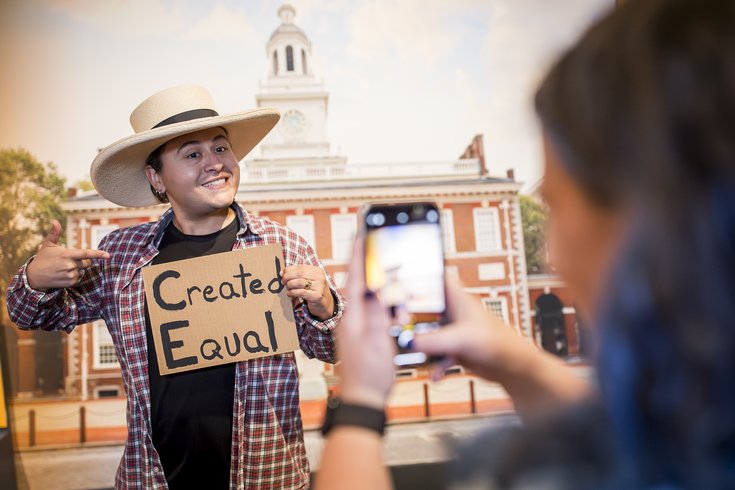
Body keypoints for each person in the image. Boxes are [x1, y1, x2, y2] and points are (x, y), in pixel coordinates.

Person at [315, 0, 735, 489]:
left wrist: (360, 403)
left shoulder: (528, 472)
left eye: (555, 207)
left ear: (644, 215)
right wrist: (521, 361)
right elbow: (628, 435)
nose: (552, 255)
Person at [6, 85, 344, 489]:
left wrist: (325, 306)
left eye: (221, 148)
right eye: (192, 154)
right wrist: (33, 280)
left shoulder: (283, 246)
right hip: (153, 478)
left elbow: (333, 349)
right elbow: (30, 316)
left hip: (266, 476)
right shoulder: (121, 257)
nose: (214, 164)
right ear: (157, 178)